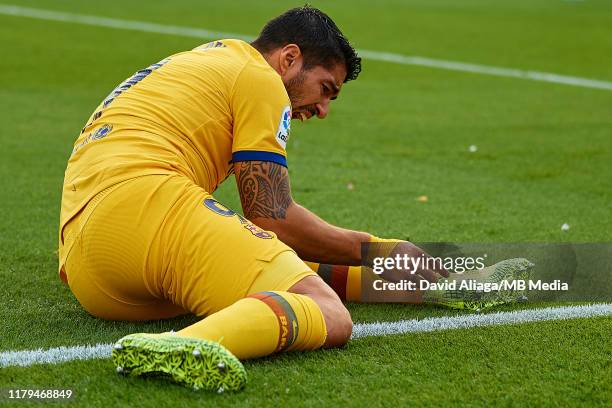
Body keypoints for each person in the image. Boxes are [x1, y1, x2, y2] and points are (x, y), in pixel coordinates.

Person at [58, 6, 528, 392]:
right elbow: (273, 218)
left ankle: (436, 286)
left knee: (286, 275)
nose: (322, 110)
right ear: (289, 58)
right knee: (328, 315)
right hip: (146, 205)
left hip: (90, 270)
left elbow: (270, 240)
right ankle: (188, 343)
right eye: (326, 89)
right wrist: (381, 248)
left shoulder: (204, 61)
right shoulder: (258, 79)